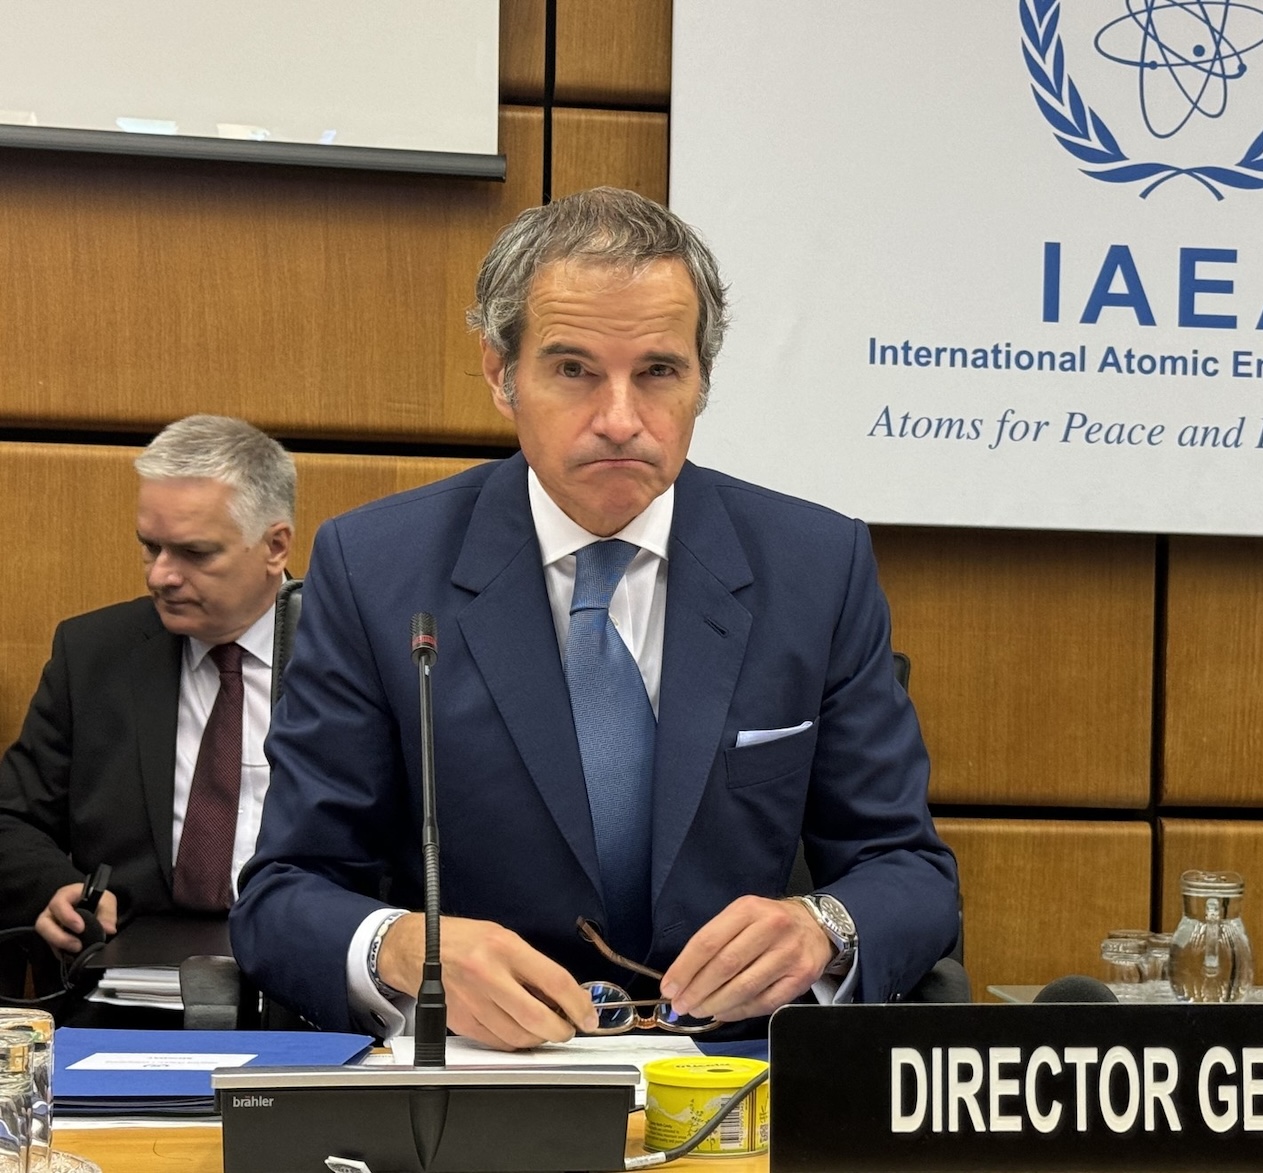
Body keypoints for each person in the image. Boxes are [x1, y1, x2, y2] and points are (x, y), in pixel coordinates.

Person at [231, 187, 959, 1046]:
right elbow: (284, 893)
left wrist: (825, 927)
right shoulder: (378, 569)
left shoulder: (814, 566)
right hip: (477, 1076)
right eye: (573, 369)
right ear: (502, 375)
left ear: (702, 380)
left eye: (658, 371)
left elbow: (908, 871)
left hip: (736, 1081)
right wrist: (404, 949)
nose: (620, 419)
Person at [0, 415, 296, 964]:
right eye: (150, 547)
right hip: (126, 973)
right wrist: (55, 889)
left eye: (194, 553)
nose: (161, 575)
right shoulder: (93, 654)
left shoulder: (355, 657)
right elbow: (12, 819)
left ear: (275, 546)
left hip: (309, 975)